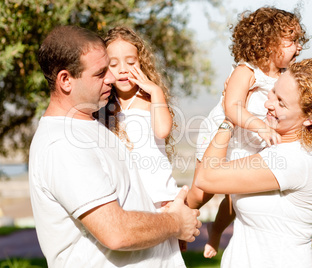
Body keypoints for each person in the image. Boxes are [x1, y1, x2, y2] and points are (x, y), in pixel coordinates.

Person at [29, 25, 201, 267]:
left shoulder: (95, 126)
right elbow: (116, 232)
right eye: (101, 73)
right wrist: (175, 223)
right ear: (66, 80)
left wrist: (168, 235)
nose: (112, 76)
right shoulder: (62, 144)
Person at [195, 58, 312, 267]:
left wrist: (229, 118)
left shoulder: (292, 159)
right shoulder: (276, 147)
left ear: (310, 118)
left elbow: (206, 177)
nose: (268, 104)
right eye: (272, 92)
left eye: (281, 102)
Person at [186, 6, 309, 258]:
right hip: (225, 135)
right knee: (201, 193)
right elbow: (232, 107)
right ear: (268, 42)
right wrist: (260, 126)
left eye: (299, 41)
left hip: (252, 142)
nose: (298, 47)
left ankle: (216, 231)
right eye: (292, 41)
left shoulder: (286, 76)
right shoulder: (247, 71)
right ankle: (180, 220)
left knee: (235, 200)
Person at [98, 26, 180, 211]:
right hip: (125, 200)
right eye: (113, 64)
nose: (123, 70)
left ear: (141, 63)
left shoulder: (150, 100)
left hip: (158, 197)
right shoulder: (103, 107)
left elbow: (162, 130)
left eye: (130, 62)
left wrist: (156, 91)